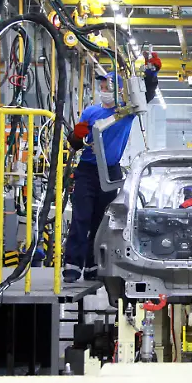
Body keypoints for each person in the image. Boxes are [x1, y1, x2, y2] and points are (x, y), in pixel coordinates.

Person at [62, 71, 137, 283]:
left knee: (101, 221)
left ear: (119, 90)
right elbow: (76, 144)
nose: (103, 91)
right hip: (87, 170)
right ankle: (72, 265)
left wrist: (151, 74)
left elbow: (145, 96)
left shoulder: (126, 113)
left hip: (110, 171)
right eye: (102, 87)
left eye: (107, 87)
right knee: (81, 217)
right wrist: (76, 136)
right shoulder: (91, 112)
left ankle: (93, 265)